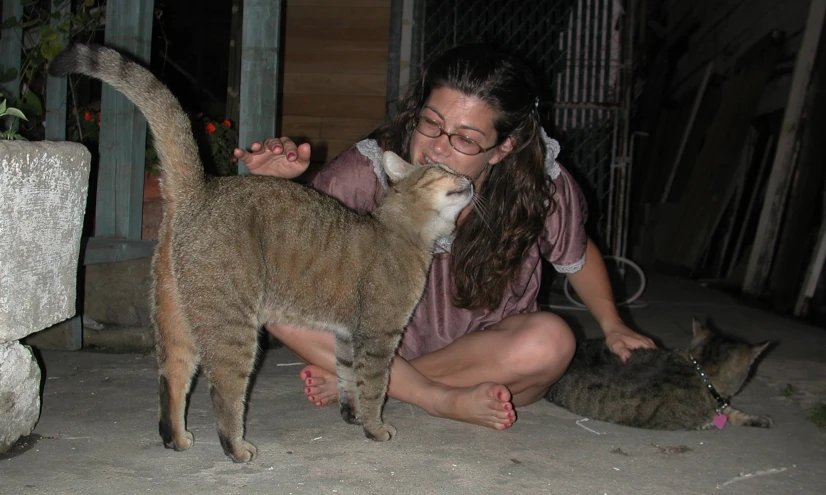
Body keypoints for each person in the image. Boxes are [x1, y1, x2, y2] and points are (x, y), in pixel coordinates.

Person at [232, 43, 655, 431]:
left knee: (552, 342)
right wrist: (277, 192)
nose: (437, 148)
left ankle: (372, 381)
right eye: (431, 124)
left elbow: (576, 255)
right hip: (372, 336)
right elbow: (293, 254)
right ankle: (431, 397)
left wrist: (613, 324)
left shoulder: (541, 186)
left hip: (484, 356)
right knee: (258, 284)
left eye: (466, 139)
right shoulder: (370, 170)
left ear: (503, 147)